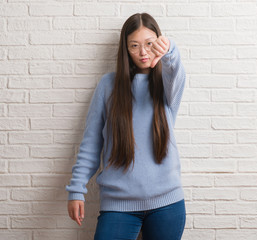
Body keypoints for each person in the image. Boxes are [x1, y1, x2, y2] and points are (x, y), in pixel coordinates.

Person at [66, 12, 187, 240]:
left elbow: (176, 71)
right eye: (134, 45)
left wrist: (169, 50)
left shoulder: (166, 86)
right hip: (118, 205)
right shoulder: (107, 86)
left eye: (149, 44)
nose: (143, 52)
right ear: (125, 49)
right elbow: (91, 144)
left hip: (167, 204)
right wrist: (76, 189)